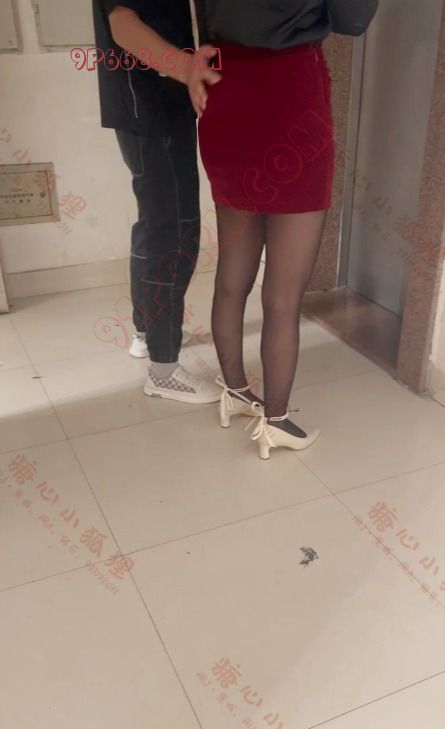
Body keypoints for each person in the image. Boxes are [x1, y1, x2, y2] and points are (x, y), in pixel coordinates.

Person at [193, 0, 379, 458]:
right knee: (283, 295)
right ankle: (276, 421)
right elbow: (353, 20)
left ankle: (235, 392)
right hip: (291, 97)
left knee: (232, 274)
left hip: (224, 90)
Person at [92, 0, 222, 403]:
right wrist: (188, 70)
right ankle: (164, 370)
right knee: (173, 232)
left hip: (154, 104)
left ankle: (147, 333)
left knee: (155, 225)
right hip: (152, 106)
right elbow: (123, 24)